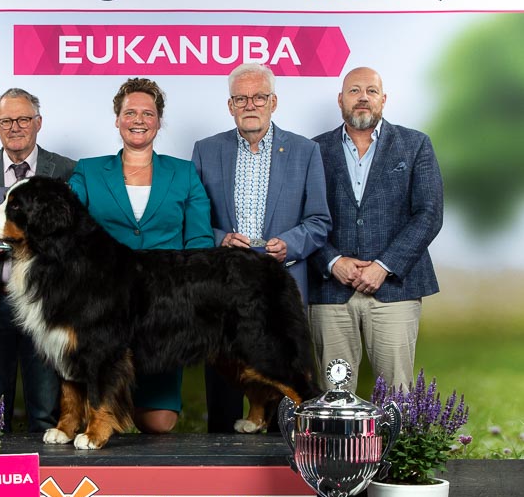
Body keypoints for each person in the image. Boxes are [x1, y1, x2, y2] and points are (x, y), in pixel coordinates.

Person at [69, 77, 214, 434]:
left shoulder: (184, 173)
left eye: (148, 113)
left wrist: (188, 299)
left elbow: (199, 240)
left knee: (159, 422)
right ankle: (104, 408)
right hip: (103, 304)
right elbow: (69, 228)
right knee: (99, 397)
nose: (139, 119)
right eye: (130, 112)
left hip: (163, 307)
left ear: (159, 121)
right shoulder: (88, 170)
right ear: (117, 119)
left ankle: (122, 409)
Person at [192, 62, 331, 432]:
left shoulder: (305, 151)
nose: (249, 104)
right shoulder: (206, 150)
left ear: (273, 102)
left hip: (280, 286)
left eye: (258, 97)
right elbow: (193, 218)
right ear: (230, 106)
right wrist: (220, 237)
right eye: (241, 98)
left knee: (286, 383)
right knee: (223, 391)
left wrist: (290, 244)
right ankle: (220, 451)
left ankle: (285, 457)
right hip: (222, 287)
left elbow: (319, 220)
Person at [308, 66, 444, 392]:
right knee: (334, 396)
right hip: (330, 290)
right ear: (340, 99)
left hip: (395, 289)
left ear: (383, 99)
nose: (363, 98)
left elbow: (429, 213)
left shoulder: (415, 145)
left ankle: (396, 434)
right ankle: (338, 434)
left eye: (371, 91)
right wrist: (332, 261)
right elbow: (302, 216)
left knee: (397, 394)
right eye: (354, 91)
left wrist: (383, 266)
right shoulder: (313, 150)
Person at [0, 88, 76, 432]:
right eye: (6, 120)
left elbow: (75, 230)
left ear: (38, 122)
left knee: (46, 408)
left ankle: (48, 466)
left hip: (47, 303)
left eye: (23, 119)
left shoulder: (67, 170)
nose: (15, 127)